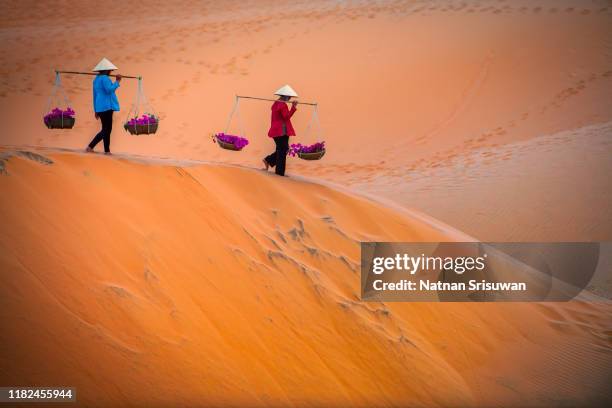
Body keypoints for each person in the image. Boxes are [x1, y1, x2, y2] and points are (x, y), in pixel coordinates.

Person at [86, 58, 122, 155]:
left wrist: (96, 110)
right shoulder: (105, 78)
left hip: (100, 106)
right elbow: (109, 90)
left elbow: (95, 95)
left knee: (106, 129)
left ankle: (107, 151)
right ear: (106, 70)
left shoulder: (96, 79)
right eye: (110, 70)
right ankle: (91, 146)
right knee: (107, 129)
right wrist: (117, 81)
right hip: (106, 106)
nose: (110, 72)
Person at [263, 84, 299, 176]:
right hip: (281, 131)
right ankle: (279, 173)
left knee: (281, 149)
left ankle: (269, 161)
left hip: (276, 130)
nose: (290, 98)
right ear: (285, 96)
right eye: (289, 96)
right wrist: (293, 107)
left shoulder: (276, 103)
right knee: (283, 150)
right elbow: (286, 117)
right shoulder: (282, 104)